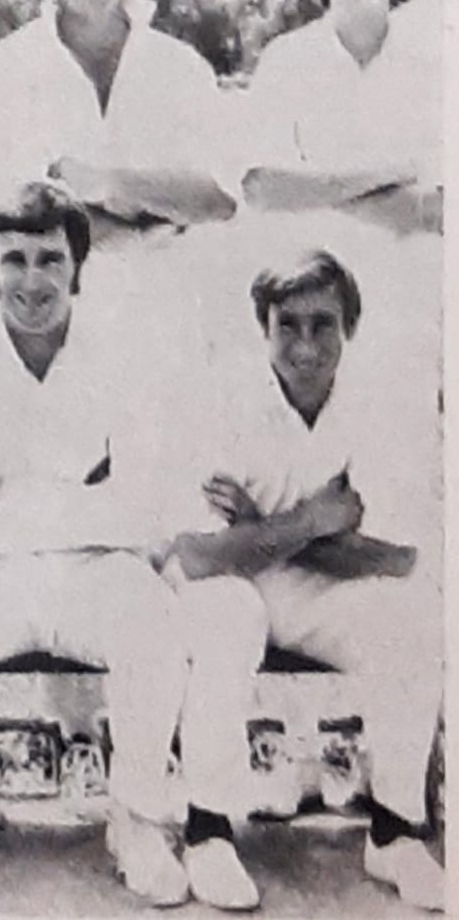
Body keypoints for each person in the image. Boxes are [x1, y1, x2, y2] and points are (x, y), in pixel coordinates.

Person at [0, 182, 191, 906]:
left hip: (94, 569)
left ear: (77, 270)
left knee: (152, 620)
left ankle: (136, 820)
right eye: (15, 260)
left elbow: (145, 512)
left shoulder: (122, 354)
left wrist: (4, 496)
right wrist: (76, 501)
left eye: (50, 260)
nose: (32, 281)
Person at [163, 251, 443, 912]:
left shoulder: (381, 405)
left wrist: (267, 529)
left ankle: (395, 832)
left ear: (349, 328)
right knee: (228, 619)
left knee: (411, 617)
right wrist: (314, 521)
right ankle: (207, 833)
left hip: (298, 578)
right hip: (227, 582)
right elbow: (199, 556)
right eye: (287, 325)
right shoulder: (222, 398)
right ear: (262, 327)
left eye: (324, 325)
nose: (305, 345)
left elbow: (395, 558)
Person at [0, 0, 236, 246]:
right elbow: (20, 209)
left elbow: (220, 200)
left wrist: (109, 184)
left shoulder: (181, 67)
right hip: (58, 288)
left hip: (174, 282)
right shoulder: (12, 64)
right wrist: (150, 220)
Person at [240, 0, 441, 235]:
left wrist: (315, 192)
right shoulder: (286, 59)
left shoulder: (432, 67)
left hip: (415, 268)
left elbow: (439, 210)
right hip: (312, 268)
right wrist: (392, 174)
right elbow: (261, 190)